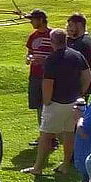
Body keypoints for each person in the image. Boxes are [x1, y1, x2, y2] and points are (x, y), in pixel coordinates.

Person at [24, 28, 90, 176]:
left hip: (56, 103)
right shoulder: (77, 55)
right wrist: (81, 93)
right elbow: (87, 75)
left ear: (52, 42)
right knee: (68, 134)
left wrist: (46, 101)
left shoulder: (51, 60)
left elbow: (48, 83)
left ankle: (38, 167)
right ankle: (65, 165)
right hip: (73, 102)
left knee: (46, 135)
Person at [24, 9, 54, 146]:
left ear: (41, 20)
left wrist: (44, 60)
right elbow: (28, 54)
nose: (31, 22)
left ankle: (51, 137)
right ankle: (43, 135)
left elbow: (58, 56)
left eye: (33, 19)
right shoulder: (33, 36)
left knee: (48, 106)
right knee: (38, 106)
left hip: (49, 76)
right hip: (35, 75)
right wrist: (30, 58)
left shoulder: (53, 35)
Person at [66, 13, 91, 91]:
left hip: (80, 85)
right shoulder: (77, 40)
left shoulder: (83, 43)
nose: (67, 28)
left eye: (70, 25)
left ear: (79, 25)